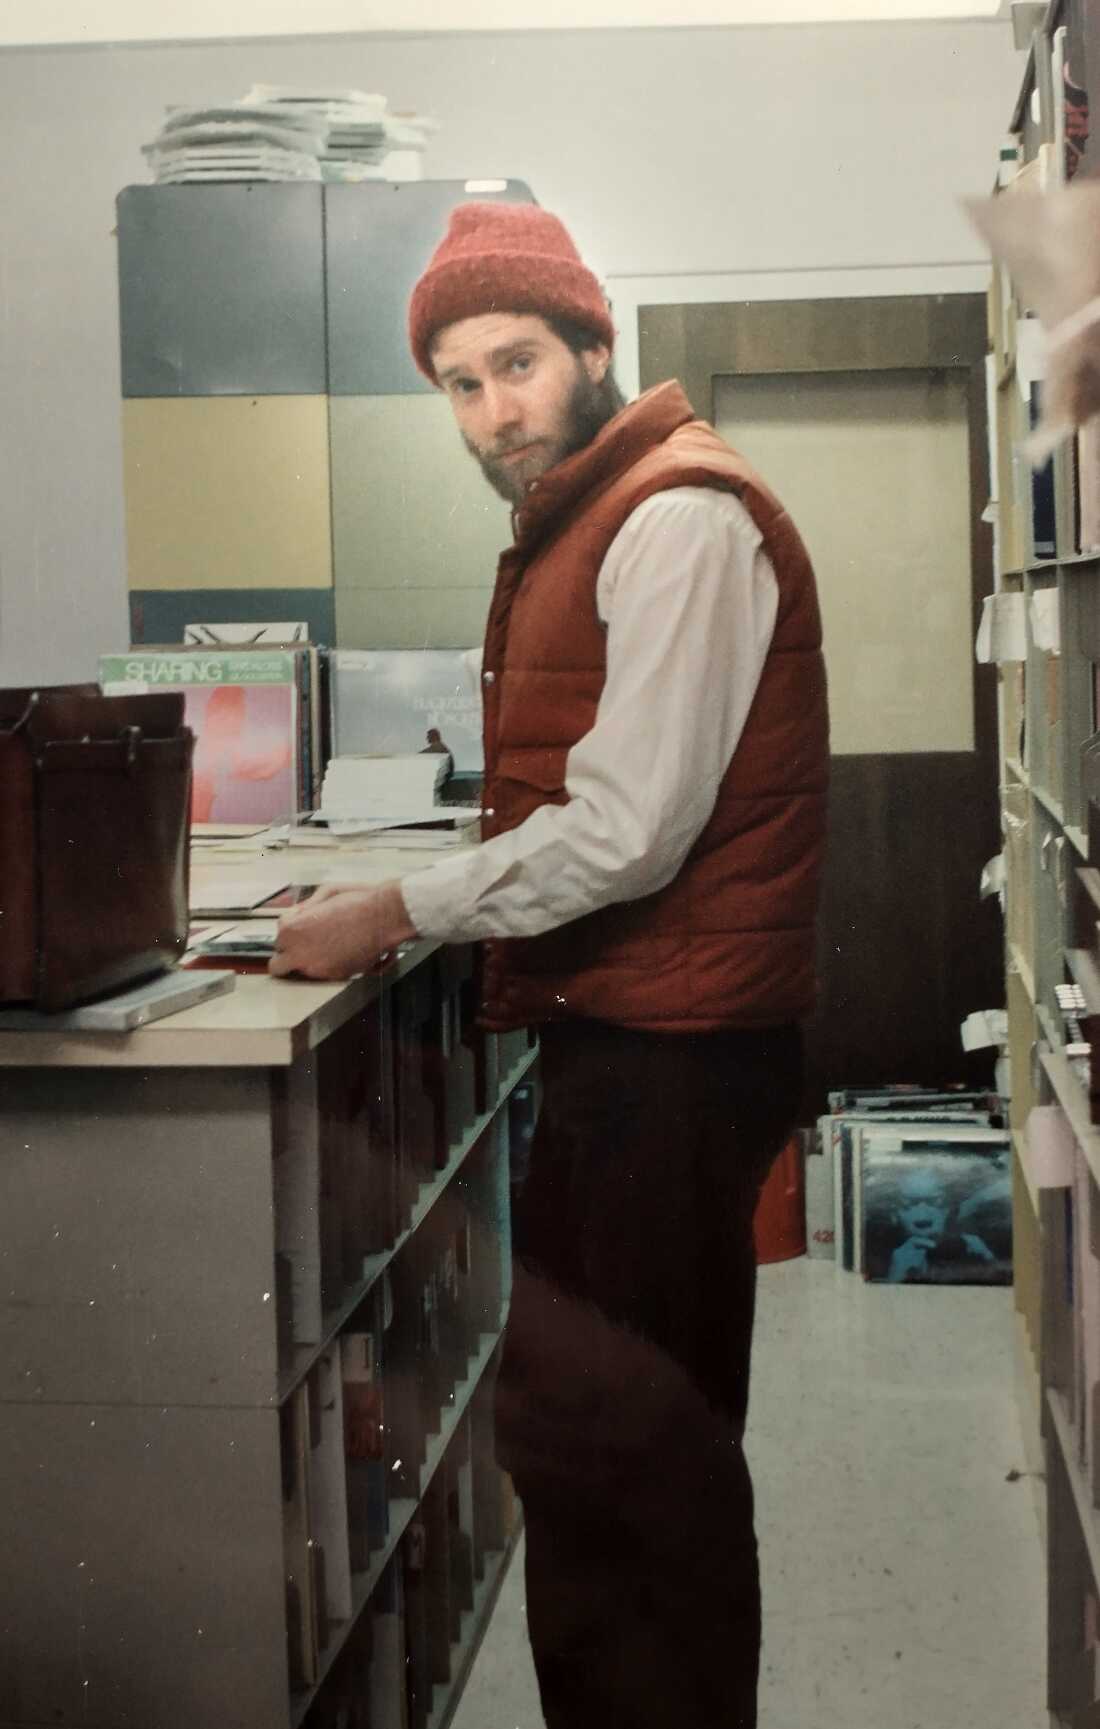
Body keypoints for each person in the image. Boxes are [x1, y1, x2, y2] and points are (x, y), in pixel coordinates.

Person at [271, 201, 829, 1728]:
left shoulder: (678, 517)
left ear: (594, 344)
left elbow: (630, 829)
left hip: (669, 1057)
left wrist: (396, 908)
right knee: (608, 1461)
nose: (491, 413)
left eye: (516, 363)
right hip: (628, 1039)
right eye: (459, 383)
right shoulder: (594, 514)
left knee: (633, 1473)